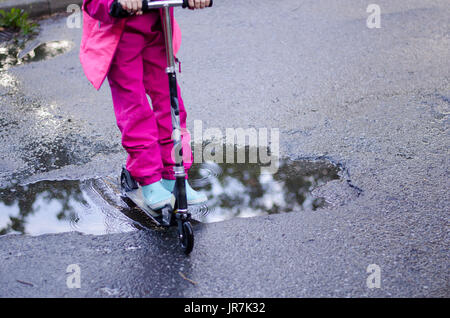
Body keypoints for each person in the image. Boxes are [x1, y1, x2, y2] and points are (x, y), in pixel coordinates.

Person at [80, 0, 209, 209]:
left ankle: (175, 175)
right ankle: (149, 179)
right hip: (119, 36)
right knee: (135, 110)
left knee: (171, 103)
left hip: (158, 30)